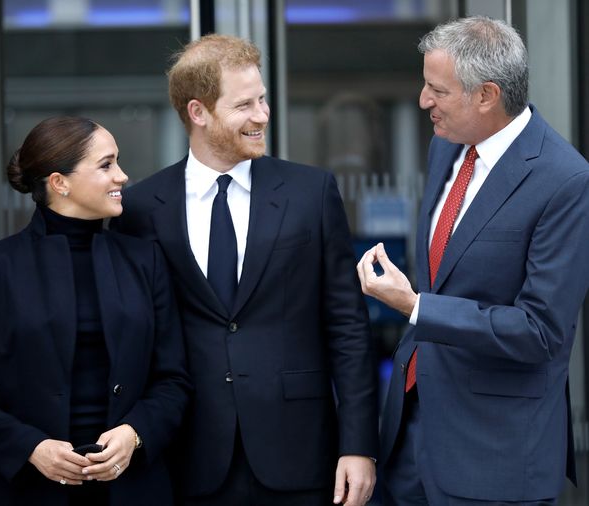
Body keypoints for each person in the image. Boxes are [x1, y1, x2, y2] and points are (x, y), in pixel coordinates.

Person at [111, 34, 378, 506]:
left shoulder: (311, 192)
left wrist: (359, 446)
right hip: (186, 457)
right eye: (244, 105)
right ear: (198, 112)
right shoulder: (139, 209)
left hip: (299, 453)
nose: (262, 115)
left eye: (262, 99)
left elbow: (348, 326)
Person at [357, 16, 589, 505]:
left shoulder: (565, 180)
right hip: (412, 438)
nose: (423, 101)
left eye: (436, 90)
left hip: (495, 456)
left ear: (486, 95)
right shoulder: (448, 147)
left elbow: (540, 331)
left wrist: (416, 306)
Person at [0, 116, 191, 506]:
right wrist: (31, 446)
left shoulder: (146, 261)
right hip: (26, 490)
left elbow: (174, 379)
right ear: (60, 183)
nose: (123, 176)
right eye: (106, 165)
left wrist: (135, 433)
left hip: (134, 488)